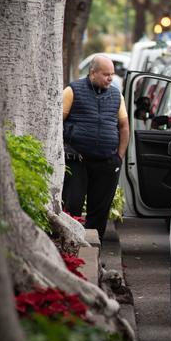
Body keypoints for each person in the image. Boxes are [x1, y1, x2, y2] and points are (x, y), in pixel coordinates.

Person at [62, 55, 130, 239]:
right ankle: (71, 248)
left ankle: (94, 251)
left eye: (112, 74)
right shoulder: (72, 90)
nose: (110, 78)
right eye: (106, 74)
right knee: (72, 206)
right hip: (77, 161)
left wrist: (119, 157)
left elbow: (124, 126)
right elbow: (56, 122)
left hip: (107, 163)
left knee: (99, 212)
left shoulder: (116, 95)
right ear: (93, 73)